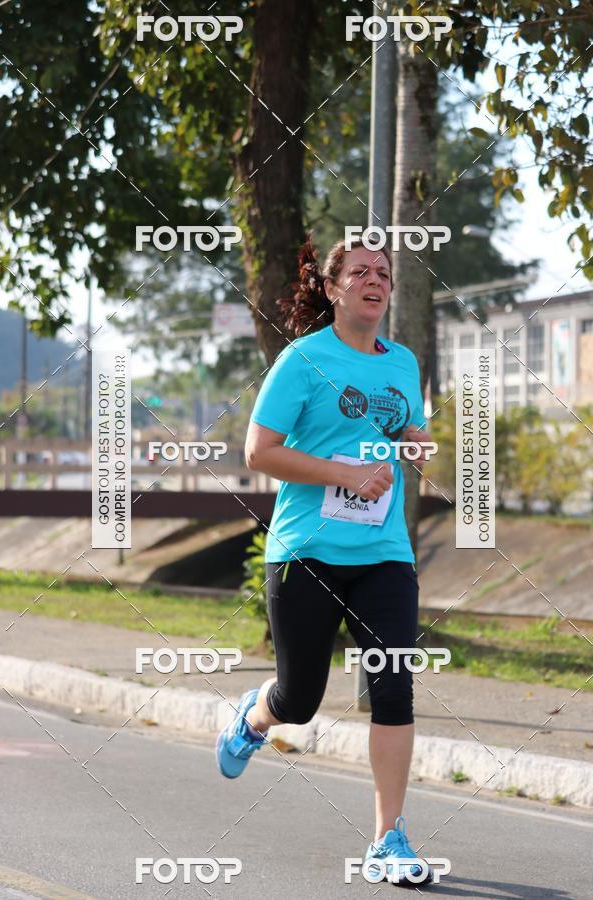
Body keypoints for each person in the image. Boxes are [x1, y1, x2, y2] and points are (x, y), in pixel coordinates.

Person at [216, 233, 434, 887]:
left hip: (383, 552)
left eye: (385, 273)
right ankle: (255, 715)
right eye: (361, 272)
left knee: (394, 684)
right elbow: (259, 452)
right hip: (306, 551)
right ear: (334, 288)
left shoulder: (402, 364)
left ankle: (388, 837)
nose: (375, 280)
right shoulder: (302, 361)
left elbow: (400, 429)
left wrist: (415, 440)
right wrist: (342, 471)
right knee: (300, 699)